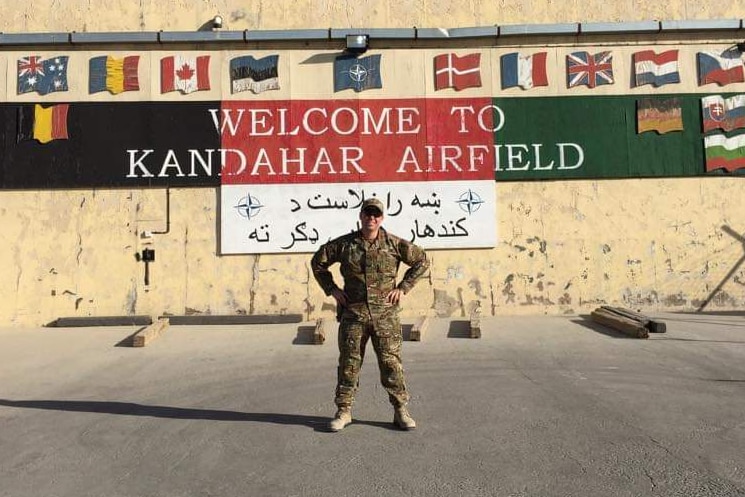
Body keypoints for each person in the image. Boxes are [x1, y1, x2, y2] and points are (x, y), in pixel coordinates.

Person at [311, 197, 430, 432]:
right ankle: (344, 411)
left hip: (385, 316)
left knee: (391, 363)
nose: (371, 218)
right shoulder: (345, 245)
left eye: (376, 214)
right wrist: (332, 289)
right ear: (361, 216)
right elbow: (318, 262)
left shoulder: (394, 244)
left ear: (382, 218)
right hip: (354, 315)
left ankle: (400, 410)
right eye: (367, 213)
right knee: (349, 363)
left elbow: (422, 261)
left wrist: (403, 287)